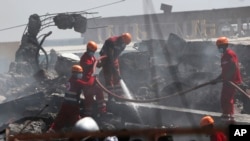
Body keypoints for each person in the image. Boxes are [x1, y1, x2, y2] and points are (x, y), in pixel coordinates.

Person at [47, 65, 95, 132]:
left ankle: (51, 132)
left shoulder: (70, 80)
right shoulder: (76, 81)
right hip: (72, 106)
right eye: (80, 73)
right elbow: (88, 85)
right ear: (75, 73)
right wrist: (93, 78)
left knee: (59, 120)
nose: (81, 74)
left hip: (65, 105)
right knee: (76, 122)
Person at [211, 36, 242, 121]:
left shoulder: (230, 54)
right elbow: (224, 72)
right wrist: (216, 79)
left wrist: (228, 78)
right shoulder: (223, 56)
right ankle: (226, 113)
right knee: (224, 97)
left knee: (228, 98)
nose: (219, 48)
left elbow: (234, 67)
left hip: (232, 80)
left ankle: (229, 115)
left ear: (225, 46)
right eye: (218, 47)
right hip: (227, 80)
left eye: (220, 47)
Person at [99, 33, 132, 100]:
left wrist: (115, 69)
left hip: (114, 58)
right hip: (106, 58)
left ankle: (118, 95)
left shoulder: (123, 44)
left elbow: (116, 54)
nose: (124, 44)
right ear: (122, 38)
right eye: (124, 42)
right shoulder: (111, 41)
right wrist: (112, 66)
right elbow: (110, 55)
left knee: (117, 77)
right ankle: (111, 96)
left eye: (125, 43)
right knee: (109, 78)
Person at [80, 41, 107, 117]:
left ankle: (102, 111)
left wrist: (103, 61)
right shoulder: (84, 57)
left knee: (99, 92)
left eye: (94, 51)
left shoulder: (92, 57)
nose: (92, 52)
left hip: (92, 80)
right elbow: (86, 66)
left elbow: (97, 65)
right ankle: (88, 115)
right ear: (88, 49)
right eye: (92, 51)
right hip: (86, 81)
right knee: (89, 98)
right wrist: (93, 64)